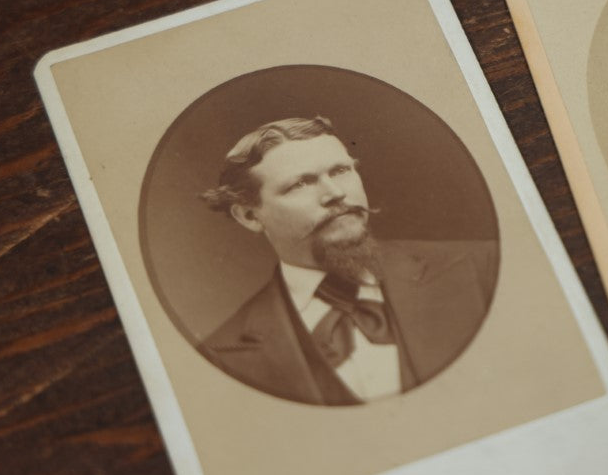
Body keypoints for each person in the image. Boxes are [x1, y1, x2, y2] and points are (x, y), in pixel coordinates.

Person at [198, 116, 498, 405]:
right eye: (300, 184)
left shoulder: (482, 266)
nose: (336, 193)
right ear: (250, 216)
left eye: (341, 171)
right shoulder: (219, 358)